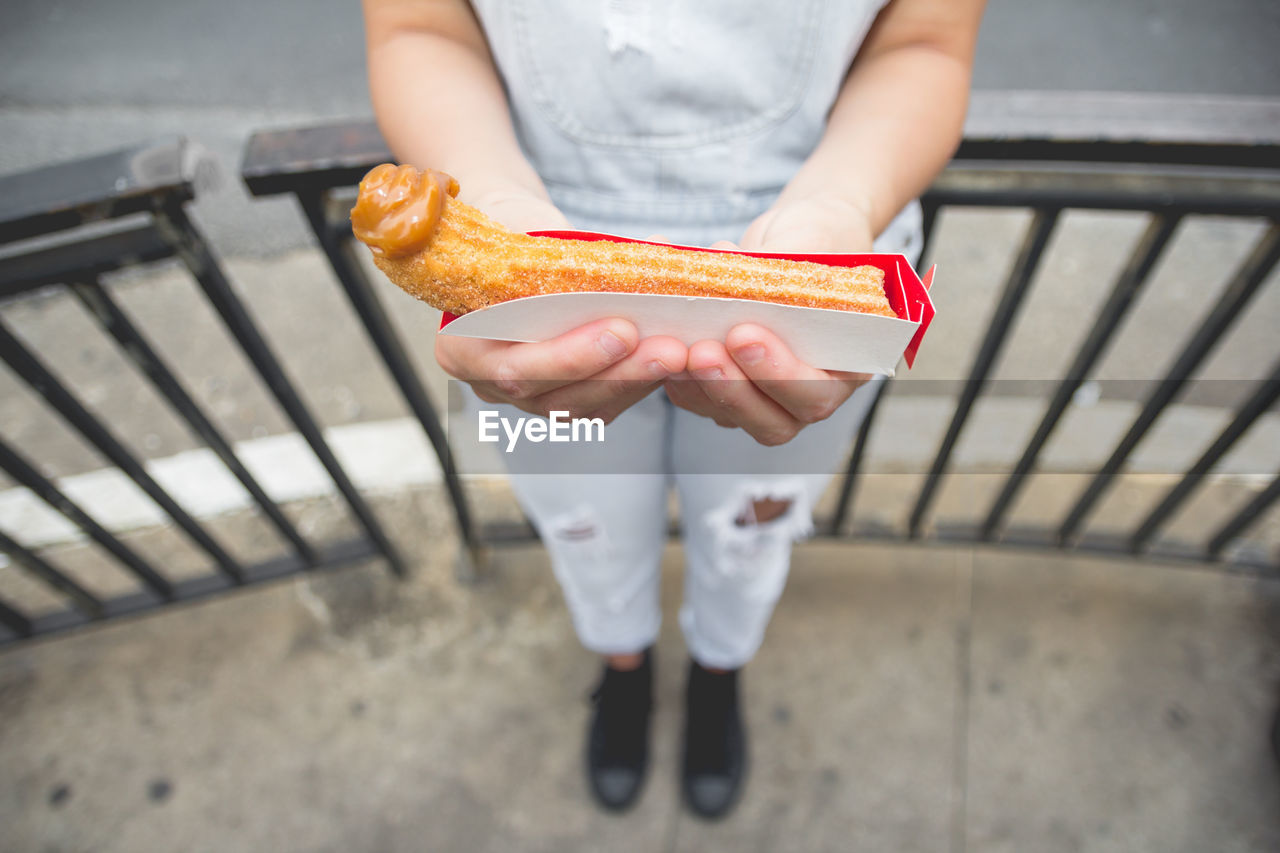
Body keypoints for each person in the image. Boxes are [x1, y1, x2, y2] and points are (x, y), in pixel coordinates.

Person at [362, 0, 986, 818]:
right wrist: (499, 219)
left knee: (748, 520)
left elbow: (924, 42)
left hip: (813, 236)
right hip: (532, 250)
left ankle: (718, 665)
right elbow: (421, 29)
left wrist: (835, 213)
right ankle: (623, 663)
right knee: (587, 517)